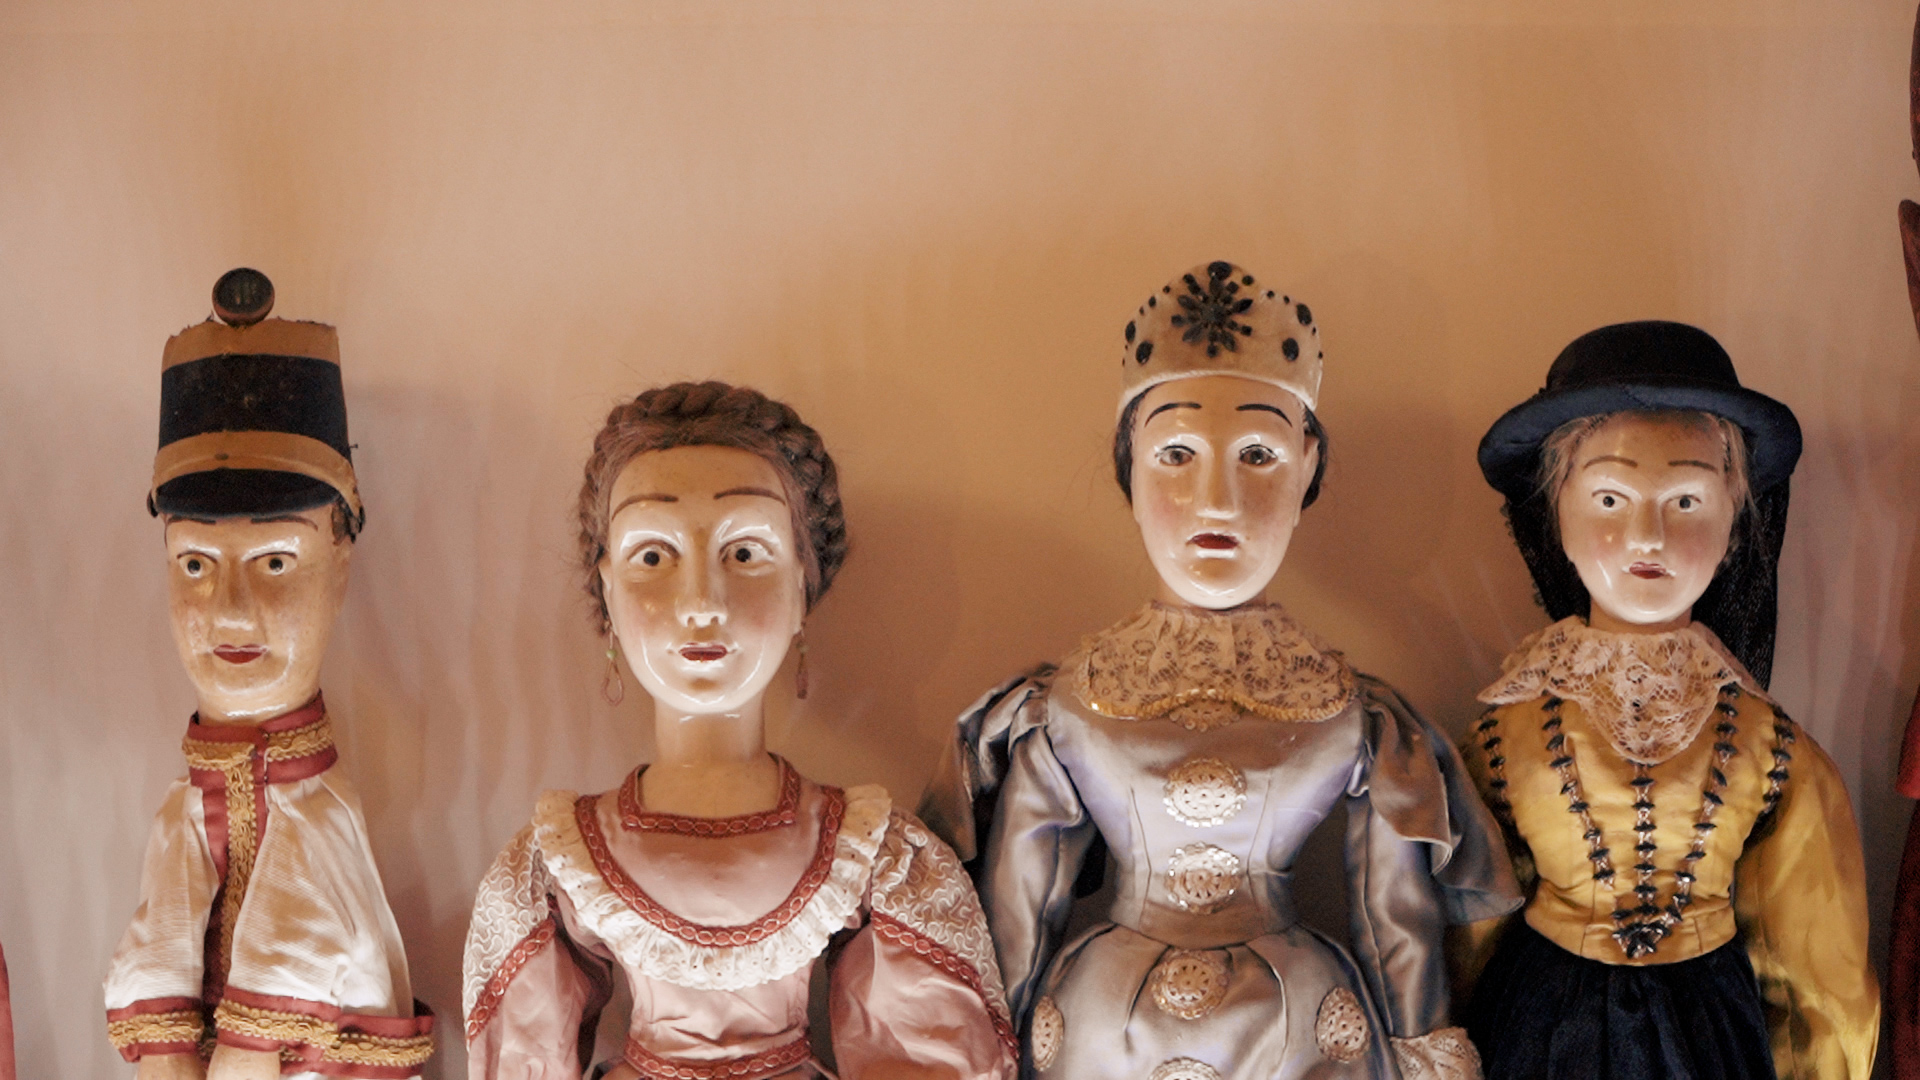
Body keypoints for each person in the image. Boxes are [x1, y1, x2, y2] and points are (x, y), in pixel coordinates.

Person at [924, 261, 1519, 1080]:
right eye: (1176, 453)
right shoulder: (1069, 702)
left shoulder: (1357, 715)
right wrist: (987, 1046)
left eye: (1258, 455)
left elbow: (1396, 917)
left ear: (1307, 465)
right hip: (1105, 1032)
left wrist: (1424, 1048)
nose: (1217, 499)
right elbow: (1019, 908)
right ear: (1129, 465)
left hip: (1297, 1032)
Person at [461, 381, 1017, 1080]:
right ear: (607, 589)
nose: (701, 601)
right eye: (653, 556)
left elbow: (921, 1053)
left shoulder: (873, 852)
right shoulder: (557, 861)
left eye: (745, 553)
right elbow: (524, 1052)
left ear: (800, 586)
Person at [1461, 320, 1879, 1079]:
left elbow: (1819, 963)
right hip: (1542, 1032)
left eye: (1686, 500)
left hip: (1709, 1035)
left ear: (1734, 520)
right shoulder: (1502, 734)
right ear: (1558, 514)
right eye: (1609, 498)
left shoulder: (1771, 748)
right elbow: (1464, 928)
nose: (1646, 535)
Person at [103, 269, 434, 1080]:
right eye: (195, 563)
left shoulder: (320, 823)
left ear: (340, 563)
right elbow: (158, 974)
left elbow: (292, 963)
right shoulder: (182, 815)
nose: (232, 609)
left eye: (277, 561)